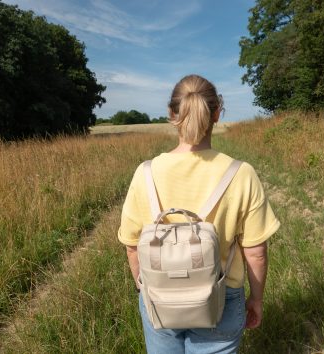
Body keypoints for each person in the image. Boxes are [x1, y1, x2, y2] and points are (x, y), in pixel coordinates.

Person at [118, 74, 280, 353]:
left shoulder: (145, 174)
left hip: (159, 293)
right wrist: (256, 299)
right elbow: (256, 252)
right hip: (220, 297)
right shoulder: (241, 174)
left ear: (172, 114)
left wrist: (146, 289)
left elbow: (133, 247)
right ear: (217, 113)